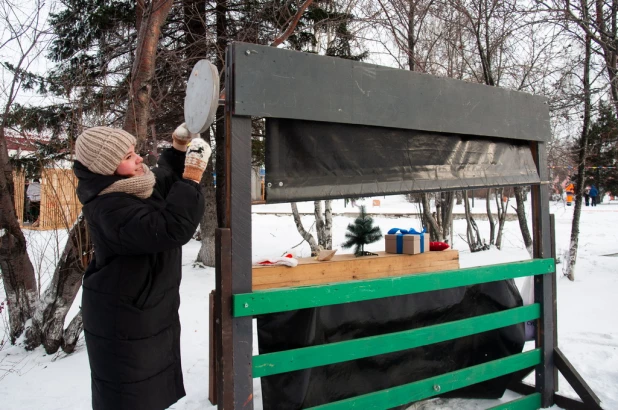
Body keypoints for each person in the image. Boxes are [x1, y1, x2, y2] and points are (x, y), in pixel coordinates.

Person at [73, 124, 209, 410]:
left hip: (140, 308)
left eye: (133, 152)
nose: (137, 159)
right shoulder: (108, 207)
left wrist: (178, 150)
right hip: (123, 319)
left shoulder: (133, 186)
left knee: (146, 391)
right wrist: (192, 178)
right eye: (126, 157)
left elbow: (163, 180)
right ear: (107, 169)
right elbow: (169, 228)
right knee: (130, 396)